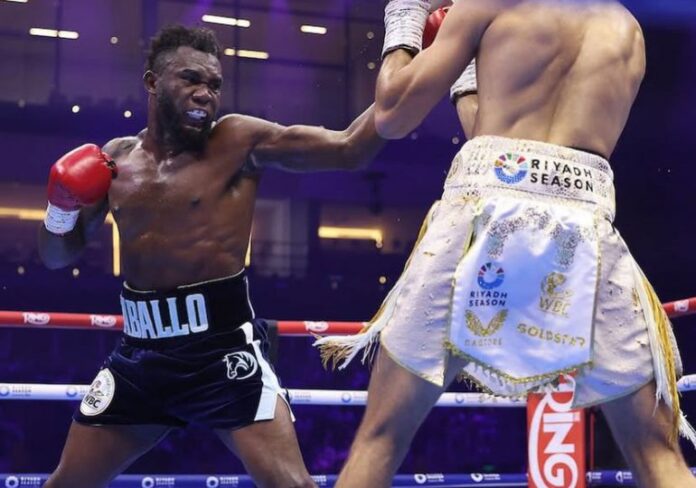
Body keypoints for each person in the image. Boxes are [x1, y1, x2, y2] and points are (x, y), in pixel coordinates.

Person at [315, 1, 696, 487]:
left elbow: (392, 114)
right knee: (658, 455)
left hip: (478, 218)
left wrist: (405, 16)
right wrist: (468, 79)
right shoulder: (627, 30)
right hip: (584, 232)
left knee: (381, 438)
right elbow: (521, 150)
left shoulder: (490, 4)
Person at [38, 25, 384, 488]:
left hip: (223, 353)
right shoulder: (114, 159)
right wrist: (60, 208)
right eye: (190, 79)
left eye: (214, 85)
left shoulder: (238, 142)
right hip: (141, 358)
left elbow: (349, 149)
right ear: (152, 82)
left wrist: (412, 65)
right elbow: (57, 256)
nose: (205, 94)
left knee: (294, 486)